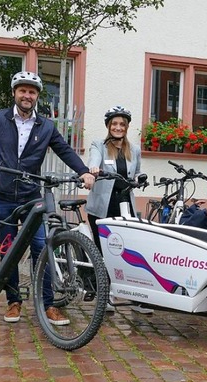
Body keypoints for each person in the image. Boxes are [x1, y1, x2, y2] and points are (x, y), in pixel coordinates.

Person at [0, 71, 95, 325]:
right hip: (2, 195)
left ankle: (48, 304)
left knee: (41, 247)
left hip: (31, 196)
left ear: (37, 96)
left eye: (32, 92)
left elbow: (64, 150)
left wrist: (83, 171)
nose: (27, 96)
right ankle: (13, 302)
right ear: (15, 93)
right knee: (9, 249)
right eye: (23, 91)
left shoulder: (46, 126)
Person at [85, 106, 152, 314]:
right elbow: (93, 160)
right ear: (108, 126)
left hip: (125, 207)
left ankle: (136, 298)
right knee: (104, 253)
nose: (118, 127)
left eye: (122, 124)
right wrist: (94, 169)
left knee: (130, 253)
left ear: (127, 127)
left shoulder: (134, 150)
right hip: (102, 208)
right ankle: (105, 296)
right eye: (114, 124)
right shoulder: (99, 145)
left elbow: (137, 172)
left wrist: (140, 179)